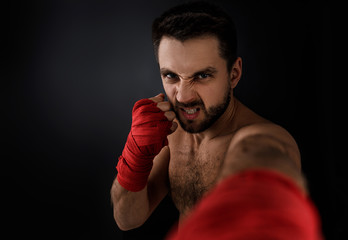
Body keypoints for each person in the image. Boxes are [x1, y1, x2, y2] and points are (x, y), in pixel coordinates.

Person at [110, 1, 322, 238]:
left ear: (234, 74)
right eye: (171, 76)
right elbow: (127, 219)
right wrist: (135, 155)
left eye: (202, 76)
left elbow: (268, 165)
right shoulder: (171, 132)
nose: (183, 96)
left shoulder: (263, 139)